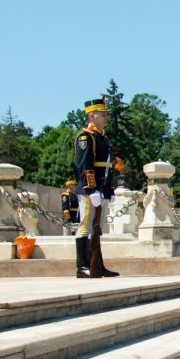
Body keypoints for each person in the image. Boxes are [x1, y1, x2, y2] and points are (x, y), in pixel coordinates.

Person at [74, 96, 121, 278]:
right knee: (85, 227)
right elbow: (85, 165)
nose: (105, 117)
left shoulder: (101, 138)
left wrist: (109, 190)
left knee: (97, 229)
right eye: (102, 115)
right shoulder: (86, 137)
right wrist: (91, 189)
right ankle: (82, 266)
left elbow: (108, 168)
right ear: (92, 116)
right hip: (90, 190)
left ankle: (97, 265)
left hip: (102, 189)